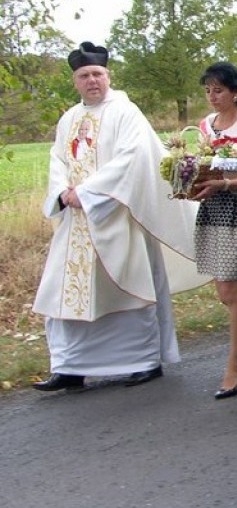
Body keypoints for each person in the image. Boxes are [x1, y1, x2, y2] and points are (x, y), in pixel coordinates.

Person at [33, 42, 205, 392]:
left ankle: (142, 362)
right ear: (75, 81)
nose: (92, 80)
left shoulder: (126, 113)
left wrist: (88, 192)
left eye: (97, 74)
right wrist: (63, 192)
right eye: (84, 76)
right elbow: (57, 160)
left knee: (129, 289)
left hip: (117, 214)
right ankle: (69, 367)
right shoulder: (69, 119)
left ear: (108, 75)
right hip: (75, 223)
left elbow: (133, 159)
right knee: (64, 295)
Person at [190, 62, 237, 399]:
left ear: (236, 91)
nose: (212, 96)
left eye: (218, 90)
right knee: (226, 293)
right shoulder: (204, 126)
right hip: (214, 210)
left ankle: (235, 366)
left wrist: (225, 183)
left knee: (231, 293)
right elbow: (198, 165)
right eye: (207, 90)